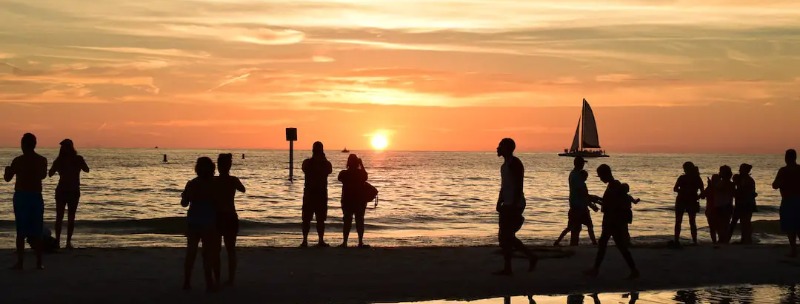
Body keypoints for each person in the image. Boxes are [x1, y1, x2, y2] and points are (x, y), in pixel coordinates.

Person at [584, 164, 639, 279]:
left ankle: (596, 270)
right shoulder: (613, 185)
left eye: (600, 176)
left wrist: (596, 199)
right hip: (613, 220)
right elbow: (608, 202)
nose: (600, 178)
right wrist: (597, 199)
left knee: (607, 245)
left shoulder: (614, 185)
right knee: (614, 245)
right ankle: (633, 270)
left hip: (612, 221)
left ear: (605, 174)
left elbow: (610, 204)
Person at [493, 138, 537, 275]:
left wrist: (514, 204)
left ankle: (529, 257)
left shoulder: (515, 163)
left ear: (507, 148)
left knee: (507, 236)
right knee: (505, 237)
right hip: (507, 203)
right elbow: (504, 186)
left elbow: (519, 186)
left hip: (514, 204)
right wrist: (499, 201)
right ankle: (510, 267)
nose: (497, 148)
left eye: (500, 146)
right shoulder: (504, 166)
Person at [4, 133, 47, 270]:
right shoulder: (41, 160)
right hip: (35, 196)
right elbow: (43, 175)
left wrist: (8, 170)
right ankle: (38, 262)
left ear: (23, 145)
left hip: (22, 196)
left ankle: (20, 262)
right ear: (34, 144)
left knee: (21, 231)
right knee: (37, 230)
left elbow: (7, 178)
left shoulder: (18, 160)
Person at [181, 157, 220, 291]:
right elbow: (218, 203)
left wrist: (185, 195)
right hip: (208, 222)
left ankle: (187, 282)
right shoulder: (214, 184)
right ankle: (209, 283)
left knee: (191, 252)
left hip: (194, 221)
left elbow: (184, 203)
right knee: (207, 254)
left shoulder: (192, 183)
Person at [48, 139, 89, 249]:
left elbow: (86, 169)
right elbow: (50, 173)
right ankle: (58, 241)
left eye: (64, 146)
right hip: (64, 190)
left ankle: (67, 242)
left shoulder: (75, 159)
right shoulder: (62, 160)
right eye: (62, 147)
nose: (62, 149)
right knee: (60, 217)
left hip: (71, 191)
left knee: (69, 217)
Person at [214, 153, 245, 285]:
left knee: (216, 250)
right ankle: (230, 279)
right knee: (230, 249)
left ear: (218, 166)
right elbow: (242, 189)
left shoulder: (214, 181)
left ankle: (217, 278)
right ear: (229, 166)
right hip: (230, 216)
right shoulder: (233, 180)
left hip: (218, 217)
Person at [555, 160, 598, 246]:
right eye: (582, 163)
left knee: (573, 228)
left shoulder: (573, 174)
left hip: (576, 205)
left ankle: (562, 243)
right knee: (584, 227)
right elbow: (582, 193)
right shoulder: (577, 177)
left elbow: (582, 193)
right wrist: (592, 204)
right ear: (580, 164)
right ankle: (593, 243)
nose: (583, 165)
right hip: (579, 207)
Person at [301, 141, 333, 248]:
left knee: (309, 218)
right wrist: (322, 159)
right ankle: (317, 240)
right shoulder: (322, 163)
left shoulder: (308, 162)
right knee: (317, 219)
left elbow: (329, 170)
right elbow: (329, 169)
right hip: (318, 193)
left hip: (312, 193)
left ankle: (307, 240)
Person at [338, 154, 369, 248]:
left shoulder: (344, 173)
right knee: (359, 221)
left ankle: (345, 242)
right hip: (359, 201)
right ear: (357, 163)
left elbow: (340, 178)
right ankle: (360, 242)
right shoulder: (360, 173)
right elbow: (365, 176)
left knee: (347, 221)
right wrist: (361, 164)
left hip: (347, 200)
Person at [773, 149, 800, 257]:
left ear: (786, 158)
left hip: (788, 200)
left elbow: (775, 185)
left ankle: (793, 249)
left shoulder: (784, 171)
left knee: (790, 226)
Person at [672, 162, 704, 247]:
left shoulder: (693, 178)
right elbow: (675, 189)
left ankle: (679, 240)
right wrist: (696, 196)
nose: (684, 170)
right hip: (686, 200)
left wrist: (683, 191)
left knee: (683, 221)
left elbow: (675, 189)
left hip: (686, 200)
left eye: (684, 168)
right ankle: (692, 241)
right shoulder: (696, 178)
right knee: (689, 221)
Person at [730, 164, 757, 244]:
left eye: (741, 170)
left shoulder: (748, 181)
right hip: (743, 203)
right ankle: (745, 239)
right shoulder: (743, 179)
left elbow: (744, 193)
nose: (740, 171)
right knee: (742, 222)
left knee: (744, 222)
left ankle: (746, 239)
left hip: (746, 204)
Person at [714, 166, 736, 244]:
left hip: (723, 205)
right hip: (724, 205)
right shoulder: (730, 183)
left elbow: (718, 189)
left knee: (721, 224)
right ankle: (723, 239)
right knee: (722, 224)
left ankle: (722, 239)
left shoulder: (724, 183)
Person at [703, 174, 721, 244]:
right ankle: (716, 241)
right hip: (712, 210)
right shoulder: (711, 188)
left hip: (715, 209)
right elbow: (703, 196)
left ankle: (716, 241)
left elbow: (702, 196)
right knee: (715, 227)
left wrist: (709, 186)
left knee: (714, 227)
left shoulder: (717, 188)